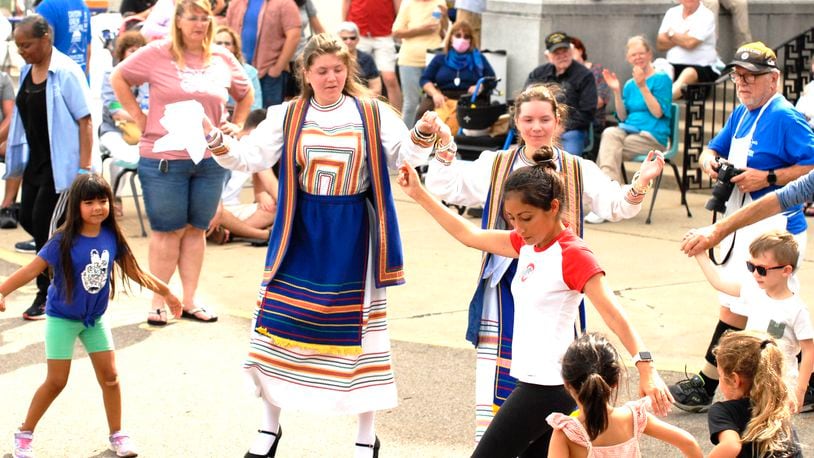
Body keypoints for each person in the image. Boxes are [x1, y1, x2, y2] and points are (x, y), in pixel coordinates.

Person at [202, 33, 440, 457]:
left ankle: (366, 437)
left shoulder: (372, 113)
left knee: (362, 337)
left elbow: (406, 156)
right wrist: (218, 142)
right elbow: (250, 158)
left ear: (348, 70)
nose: (331, 77)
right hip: (300, 229)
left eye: (337, 69)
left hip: (354, 235)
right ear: (306, 74)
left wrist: (423, 131)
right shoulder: (287, 114)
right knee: (278, 326)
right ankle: (268, 429)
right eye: (321, 71)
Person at [424, 83, 665, 442]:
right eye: (528, 119)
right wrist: (443, 145)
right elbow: (447, 187)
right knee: (502, 373)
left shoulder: (577, 170)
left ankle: (535, 438)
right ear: (516, 123)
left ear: (558, 122)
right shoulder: (496, 164)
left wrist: (641, 183)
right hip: (504, 287)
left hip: (557, 283)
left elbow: (617, 205)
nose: (536, 127)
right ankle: (506, 437)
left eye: (544, 119)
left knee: (551, 375)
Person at [668, 41, 814, 414]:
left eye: (751, 77)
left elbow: (810, 166)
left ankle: (713, 381)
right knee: (736, 303)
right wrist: (710, 163)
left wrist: (768, 176)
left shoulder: (785, 116)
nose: (743, 84)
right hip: (741, 223)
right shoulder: (742, 113)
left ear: (774, 79)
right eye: (738, 77)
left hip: (776, 227)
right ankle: (711, 380)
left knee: (775, 310)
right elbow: (709, 150)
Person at [2, 174, 182, 458]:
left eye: (103, 200)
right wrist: (1, 291)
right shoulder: (62, 240)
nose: (98, 207)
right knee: (56, 381)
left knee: (110, 376)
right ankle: (24, 433)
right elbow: (30, 270)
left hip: (94, 320)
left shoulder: (111, 236)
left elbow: (134, 270)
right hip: (62, 318)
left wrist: (166, 291)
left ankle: (117, 434)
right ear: (76, 206)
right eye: (89, 202)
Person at [110, 0, 253, 326]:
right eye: (192, 17)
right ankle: (159, 299)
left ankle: (189, 299)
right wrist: (139, 116)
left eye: (205, 18)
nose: (199, 24)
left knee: (196, 230)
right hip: (164, 158)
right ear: (178, 21)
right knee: (166, 231)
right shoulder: (158, 52)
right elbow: (119, 77)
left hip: (210, 157)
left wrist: (237, 123)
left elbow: (245, 94)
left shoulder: (221, 57)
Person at [4, 15, 93, 320]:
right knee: (27, 217)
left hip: (62, 167)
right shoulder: (29, 70)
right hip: (36, 162)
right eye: (18, 46)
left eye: (26, 44)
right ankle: (67, 268)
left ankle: (47, 293)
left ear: (45, 39)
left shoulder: (66, 72)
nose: (21, 51)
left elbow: (86, 120)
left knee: (44, 227)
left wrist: (84, 168)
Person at [693, 229, 814, 412]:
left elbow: (808, 350)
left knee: (774, 433)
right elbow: (719, 282)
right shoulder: (754, 291)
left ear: (786, 270)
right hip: (750, 382)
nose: (755, 274)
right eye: (751, 267)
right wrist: (699, 252)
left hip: (778, 386)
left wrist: (800, 389)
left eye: (761, 269)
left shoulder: (796, 309)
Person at [546, 333, 702, 457]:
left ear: (567, 384)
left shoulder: (567, 433)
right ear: (615, 382)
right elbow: (688, 443)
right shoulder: (633, 418)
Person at [590, 35, 672, 224]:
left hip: (652, 137)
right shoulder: (628, 84)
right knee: (610, 133)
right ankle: (612, 202)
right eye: (633, 54)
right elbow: (623, 116)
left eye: (641, 53)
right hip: (627, 132)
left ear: (650, 54)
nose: (637, 57)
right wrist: (617, 91)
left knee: (608, 150)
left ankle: (606, 203)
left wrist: (643, 86)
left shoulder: (662, 79)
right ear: (628, 58)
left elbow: (658, 113)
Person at [708, 330, 804, 456]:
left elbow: (731, 445)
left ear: (735, 380)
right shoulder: (778, 410)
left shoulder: (724, 411)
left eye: (720, 375)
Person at [100, 30, 148, 216]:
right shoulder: (109, 75)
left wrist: (138, 114)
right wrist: (141, 113)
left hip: (143, 131)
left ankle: (154, 199)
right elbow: (115, 111)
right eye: (131, 50)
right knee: (121, 158)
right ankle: (115, 198)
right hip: (112, 130)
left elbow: (150, 105)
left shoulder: (147, 77)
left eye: (140, 50)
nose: (136, 54)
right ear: (122, 53)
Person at [525, 32, 597, 157]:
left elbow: (587, 113)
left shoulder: (585, 75)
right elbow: (524, 102)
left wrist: (560, 127)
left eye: (565, 51)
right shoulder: (538, 74)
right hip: (538, 128)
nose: (562, 56)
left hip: (571, 131)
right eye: (556, 53)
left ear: (572, 51)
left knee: (567, 162)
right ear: (548, 56)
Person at [226, 0, 300, 107]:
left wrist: (277, 69)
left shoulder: (285, 3)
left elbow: (294, 36)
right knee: (236, 116)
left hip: (268, 76)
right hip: (238, 71)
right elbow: (226, 31)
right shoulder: (237, 2)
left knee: (267, 117)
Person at [417, 19, 495, 120]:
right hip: (443, 96)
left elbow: (492, 80)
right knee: (423, 111)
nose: (462, 40)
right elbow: (424, 79)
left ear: (470, 40)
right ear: (451, 38)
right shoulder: (440, 59)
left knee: (476, 116)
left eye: (466, 37)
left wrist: (480, 87)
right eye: (458, 36)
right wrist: (435, 93)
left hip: (470, 97)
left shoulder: (479, 59)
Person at [392, 0, 447, 126]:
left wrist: (444, 17)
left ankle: (429, 138)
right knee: (410, 103)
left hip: (434, 59)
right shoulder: (408, 3)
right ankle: (404, 139)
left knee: (430, 103)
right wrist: (421, 29)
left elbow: (445, 32)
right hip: (409, 60)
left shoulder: (440, 2)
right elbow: (396, 32)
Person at [343, 0, 403, 111]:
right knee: (354, 75)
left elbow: (398, 4)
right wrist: (344, 26)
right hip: (358, 31)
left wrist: (400, 28)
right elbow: (347, 2)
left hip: (384, 31)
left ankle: (398, 118)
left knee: (390, 78)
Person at [656, 0, 720, 100]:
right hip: (672, 66)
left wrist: (671, 34)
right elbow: (660, 44)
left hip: (700, 69)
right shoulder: (671, 13)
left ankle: (663, 102)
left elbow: (690, 44)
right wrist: (683, 37)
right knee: (659, 65)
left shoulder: (706, 15)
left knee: (688, 72)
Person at [570, 36, 610, 154]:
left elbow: (599, 101)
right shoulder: (565, 73)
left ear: (580, 50)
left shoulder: (596, 71)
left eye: (572, 51)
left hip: (590, 123)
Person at [214, 25, 263, 111]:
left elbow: (256, 106)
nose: (223, 47)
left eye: (227, 43)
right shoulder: (201, 70)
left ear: (235, 48)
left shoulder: (250, 72)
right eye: (219, 43)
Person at [36, 0, 91, 76]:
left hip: (56, 81)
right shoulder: (81, 4)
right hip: (79, 78)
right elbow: (87, 47)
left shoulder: (47, 7)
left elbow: (39, 50)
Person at [337, 21, 382, 95]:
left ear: (358, 39)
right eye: (344, 38)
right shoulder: (333, 60)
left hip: (364, 101)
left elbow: (376, 90)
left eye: (352, 38)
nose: (349, 41)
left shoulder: (367, 59)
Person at [0, 70, 18, 229]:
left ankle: (7, 207)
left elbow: (11, 116)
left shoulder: (3, 79)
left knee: (16, 149)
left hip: (0, 137)